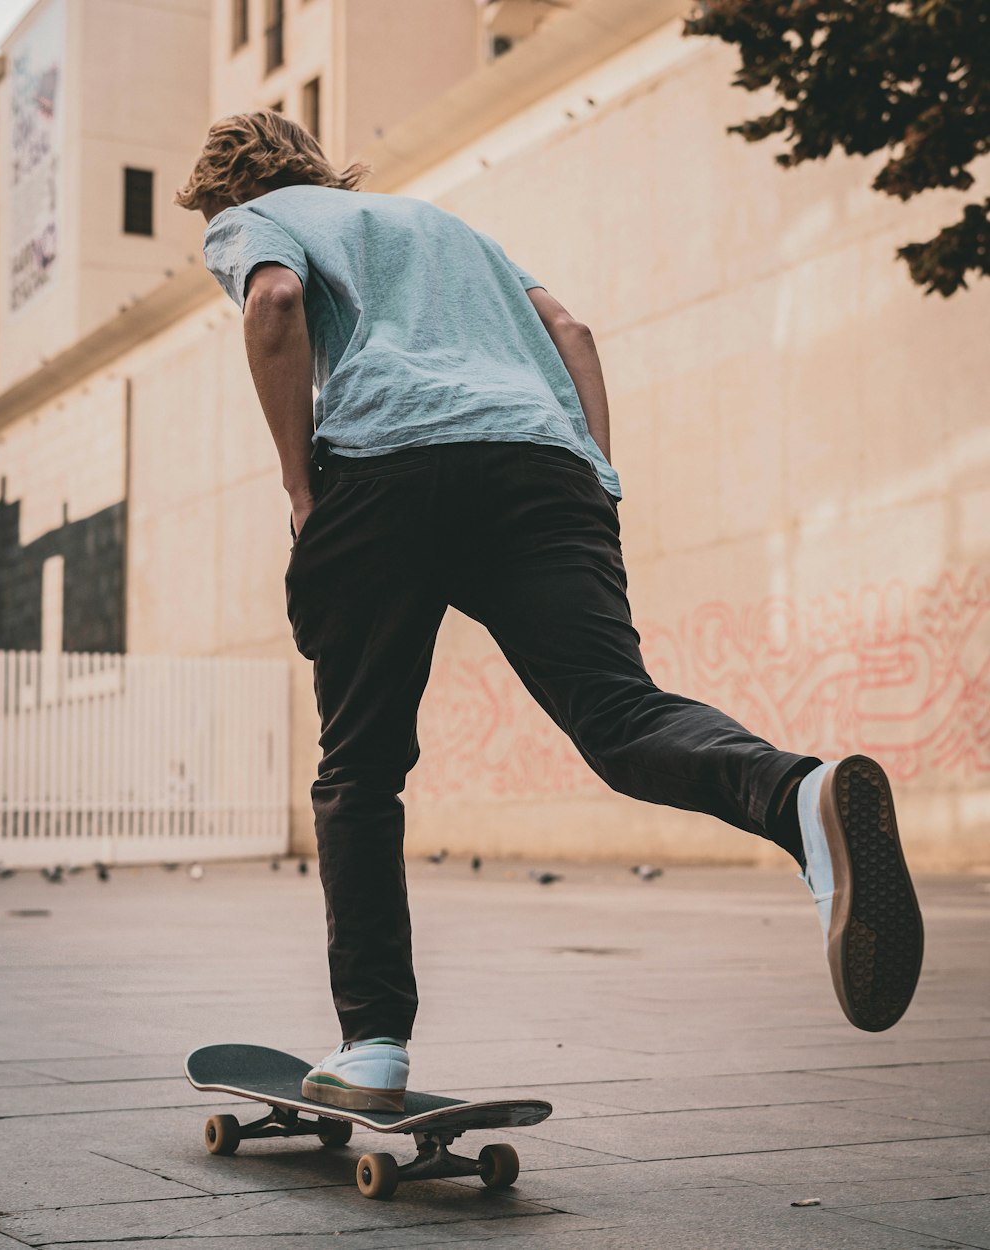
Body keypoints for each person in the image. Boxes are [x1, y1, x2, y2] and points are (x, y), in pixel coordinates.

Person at [175, 111, 923, 1114]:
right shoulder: (443, 228)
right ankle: (797, 792)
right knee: (619, 714)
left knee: (359, 765)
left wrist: (303, 489)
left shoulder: (255, 220)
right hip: (541, 468)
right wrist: (599, 471)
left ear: (229, 193)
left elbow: (272, 304)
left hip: (383, 479)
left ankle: (375, 1042)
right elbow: (572, 330)